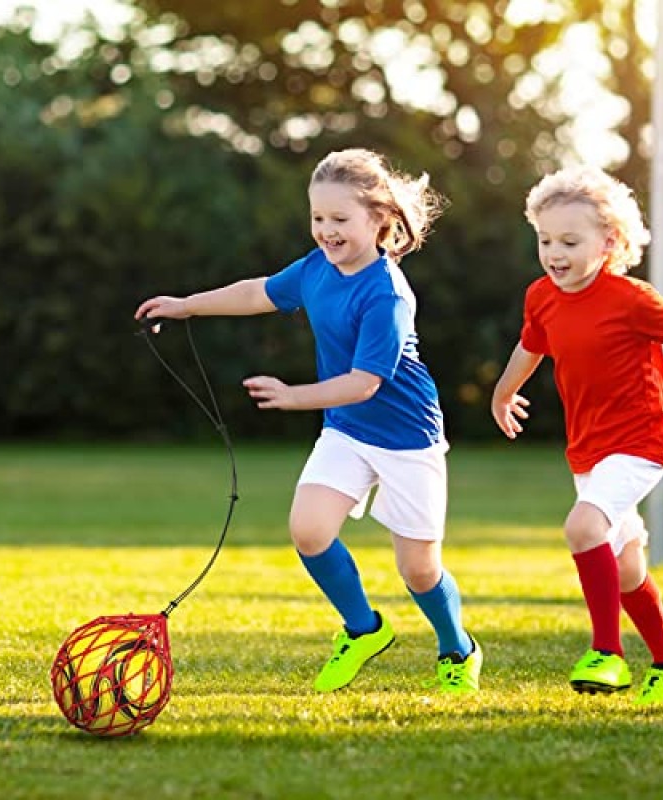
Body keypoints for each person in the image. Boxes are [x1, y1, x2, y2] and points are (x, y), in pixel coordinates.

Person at [135, 148, 482, 694]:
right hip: (347, 429)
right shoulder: (317, 269)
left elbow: (366, 382)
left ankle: (457, 649)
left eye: (340, 219)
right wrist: (186, 305)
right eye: (318, 217)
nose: (326, 230)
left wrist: (294, 397)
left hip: (406, 438)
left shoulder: (387, 294)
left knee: (418, 571)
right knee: (309, 530)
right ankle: (363, 629)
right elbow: (259, 291)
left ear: (380, 220)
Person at [491, 165, 663, 705]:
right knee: (625, 561)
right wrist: (501, 391)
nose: (554, 252)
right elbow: (532, 345)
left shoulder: (631, 298)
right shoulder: (540, 295)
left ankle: (607, 654)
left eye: (569, 240)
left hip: (641, 439)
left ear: (608, 241)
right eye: (545, 240)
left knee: (583, 527)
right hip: (587, 445)